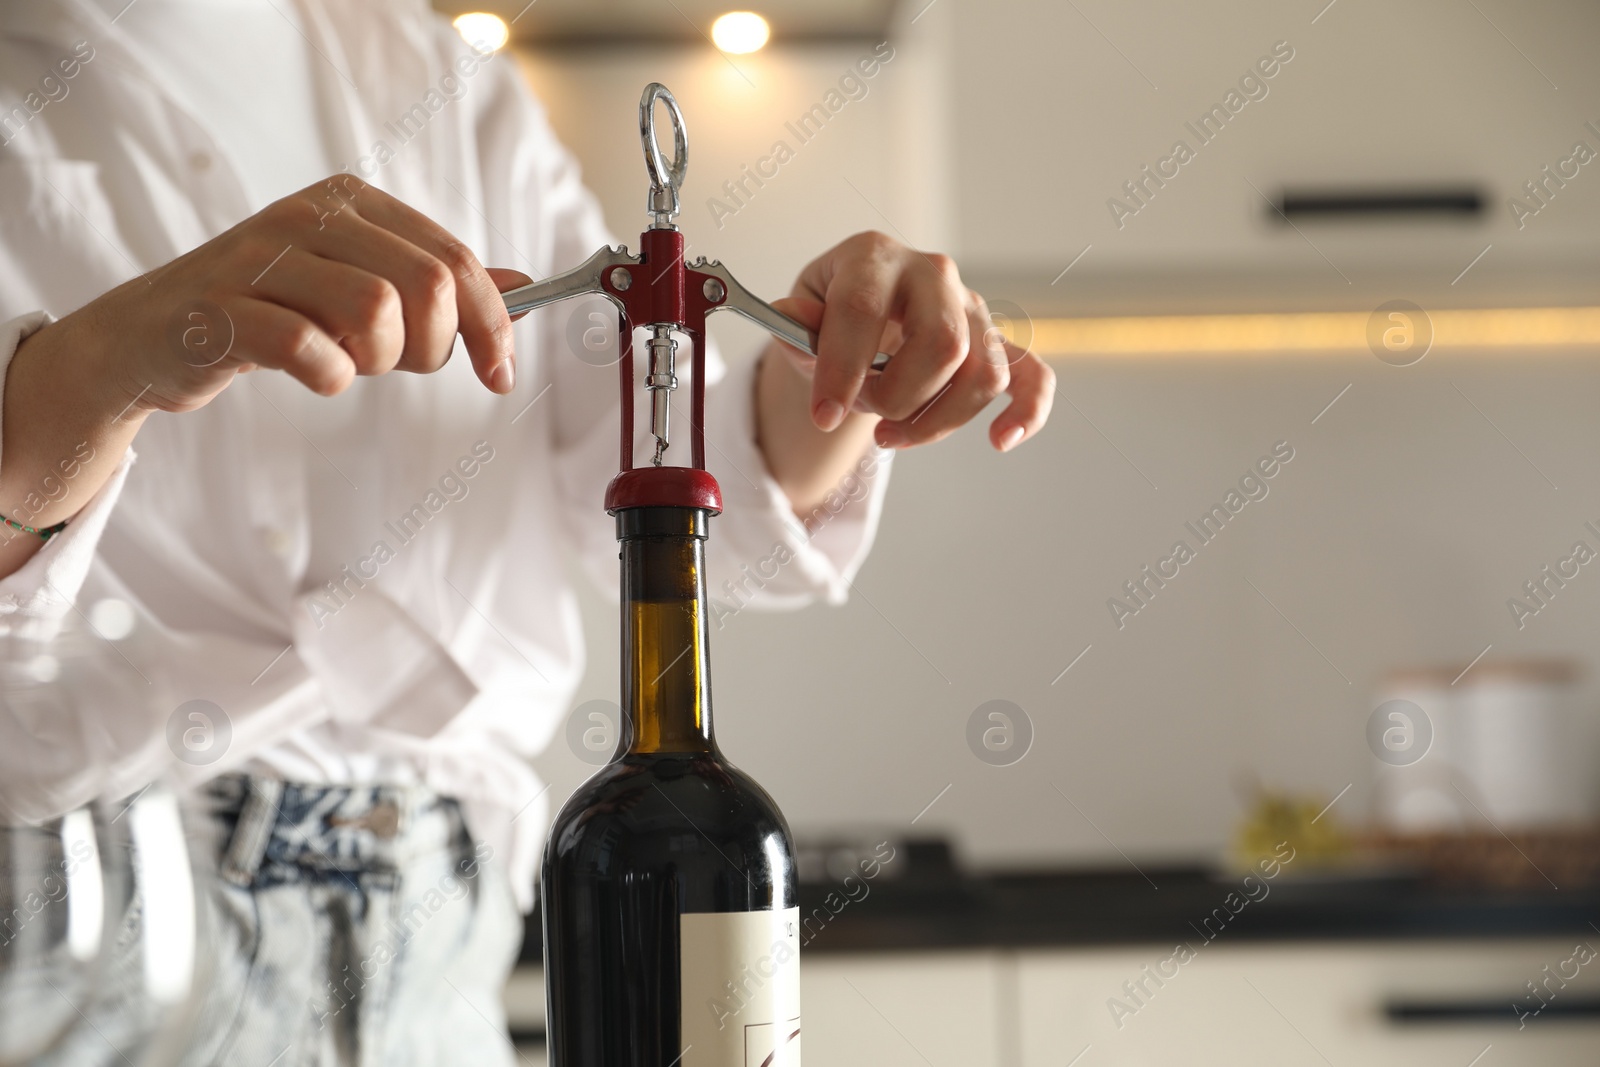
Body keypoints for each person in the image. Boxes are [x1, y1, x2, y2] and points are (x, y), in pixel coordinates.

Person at [0, 0, 1053, 1062]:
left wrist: (835, 373)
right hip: (106, 932)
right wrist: (84, 375)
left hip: (444, 956)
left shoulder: (441, 80)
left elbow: (691, 503)